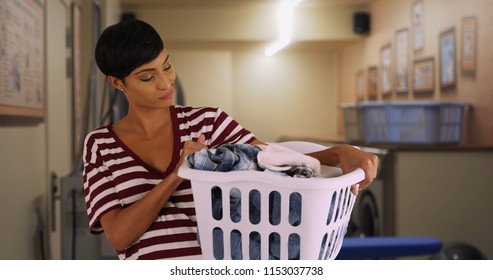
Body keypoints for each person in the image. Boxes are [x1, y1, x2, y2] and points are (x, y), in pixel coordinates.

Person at [82, 19, 378, 260]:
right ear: (117, 82)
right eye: (147, 77)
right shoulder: (100, 145)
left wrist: (342, 152)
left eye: (167, 66)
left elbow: (277, 160)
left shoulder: (208, 122)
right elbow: (119, 236)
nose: (165, 82)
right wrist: (178, 174)